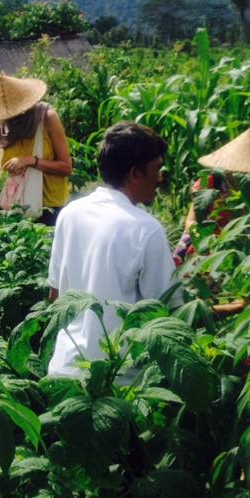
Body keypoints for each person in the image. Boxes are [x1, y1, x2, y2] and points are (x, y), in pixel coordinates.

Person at [47, 121, 179, 380]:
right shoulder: (146, 229)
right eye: (156, 169)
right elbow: (168, 314)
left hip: (64, 371)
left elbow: (55, 297)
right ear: (133, 174)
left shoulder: (70, 214)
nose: (159, 178)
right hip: (118, 382)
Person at [172, 128, 250, 265]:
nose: (241, 173)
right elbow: (191, 222)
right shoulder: (209, 184)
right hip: (207, 250)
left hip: (248, 254)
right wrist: (206, 239)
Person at [0, 74, 72, 225]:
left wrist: (30, 161)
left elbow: (66, 168)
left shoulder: (47, 118)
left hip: (50, 206)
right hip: (18, 204)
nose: (14, 116)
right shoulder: (3, 125)